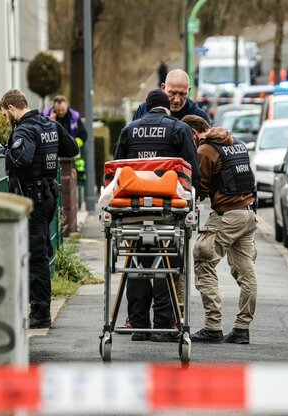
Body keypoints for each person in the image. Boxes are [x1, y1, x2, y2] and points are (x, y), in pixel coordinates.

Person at [113, 89, 200, 342]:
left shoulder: (129, 130)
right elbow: (192, 170)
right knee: (166, 262)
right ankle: (163, 325)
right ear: (167, 108)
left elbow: (118, 169)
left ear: (147, 107)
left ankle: (139, 325)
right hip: (167, 211)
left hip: (132, 211)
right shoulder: (178, 129)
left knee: (136, 262)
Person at [0, 89, 79, 329]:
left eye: (4, 114)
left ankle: (40, 313)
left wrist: (1, 152)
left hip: (33, 198)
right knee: (39, 251)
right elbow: (71, 149)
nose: (5, 120)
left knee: (36, 256)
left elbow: (21, 159)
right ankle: (36, 306)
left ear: (11, 108)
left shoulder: (25, 129)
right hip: (48, 195)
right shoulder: (49, 125)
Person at [181, 114, 258, 345]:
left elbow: (201, 187)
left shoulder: (206, 150)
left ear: (194, 133)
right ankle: (242, 329)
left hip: (226, 215)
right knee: (246, 272)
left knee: (203, 259)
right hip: (248, 213)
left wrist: (187, 201)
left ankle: (213, 326)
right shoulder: (236, 143)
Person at [134, 69, 211, 124]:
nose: (177, 100)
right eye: (172, 93)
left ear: (189, 90)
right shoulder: (143, 110)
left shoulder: (199, 117)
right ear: (163, 88)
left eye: (182, 94)